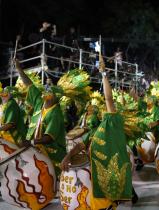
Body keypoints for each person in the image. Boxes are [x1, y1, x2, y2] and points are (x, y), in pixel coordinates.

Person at [61, 54, 132, 210]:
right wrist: (68, 156)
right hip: (97, 185)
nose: (102, 110)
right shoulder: (97, 129)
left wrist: (104, 74)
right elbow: (80, 146)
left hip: (111, 189)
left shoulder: (114, 125)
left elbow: (108, 99)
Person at [15, 59, 66, 177]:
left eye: (49, 92)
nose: (45, 91)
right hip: (35, 147)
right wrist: (19, 69)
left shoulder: (55, 113)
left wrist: (31, 142)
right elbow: (30, 85)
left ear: (54, 98)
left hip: (50, 153)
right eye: (46, 90)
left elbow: (48, 138)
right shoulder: (40, 102)